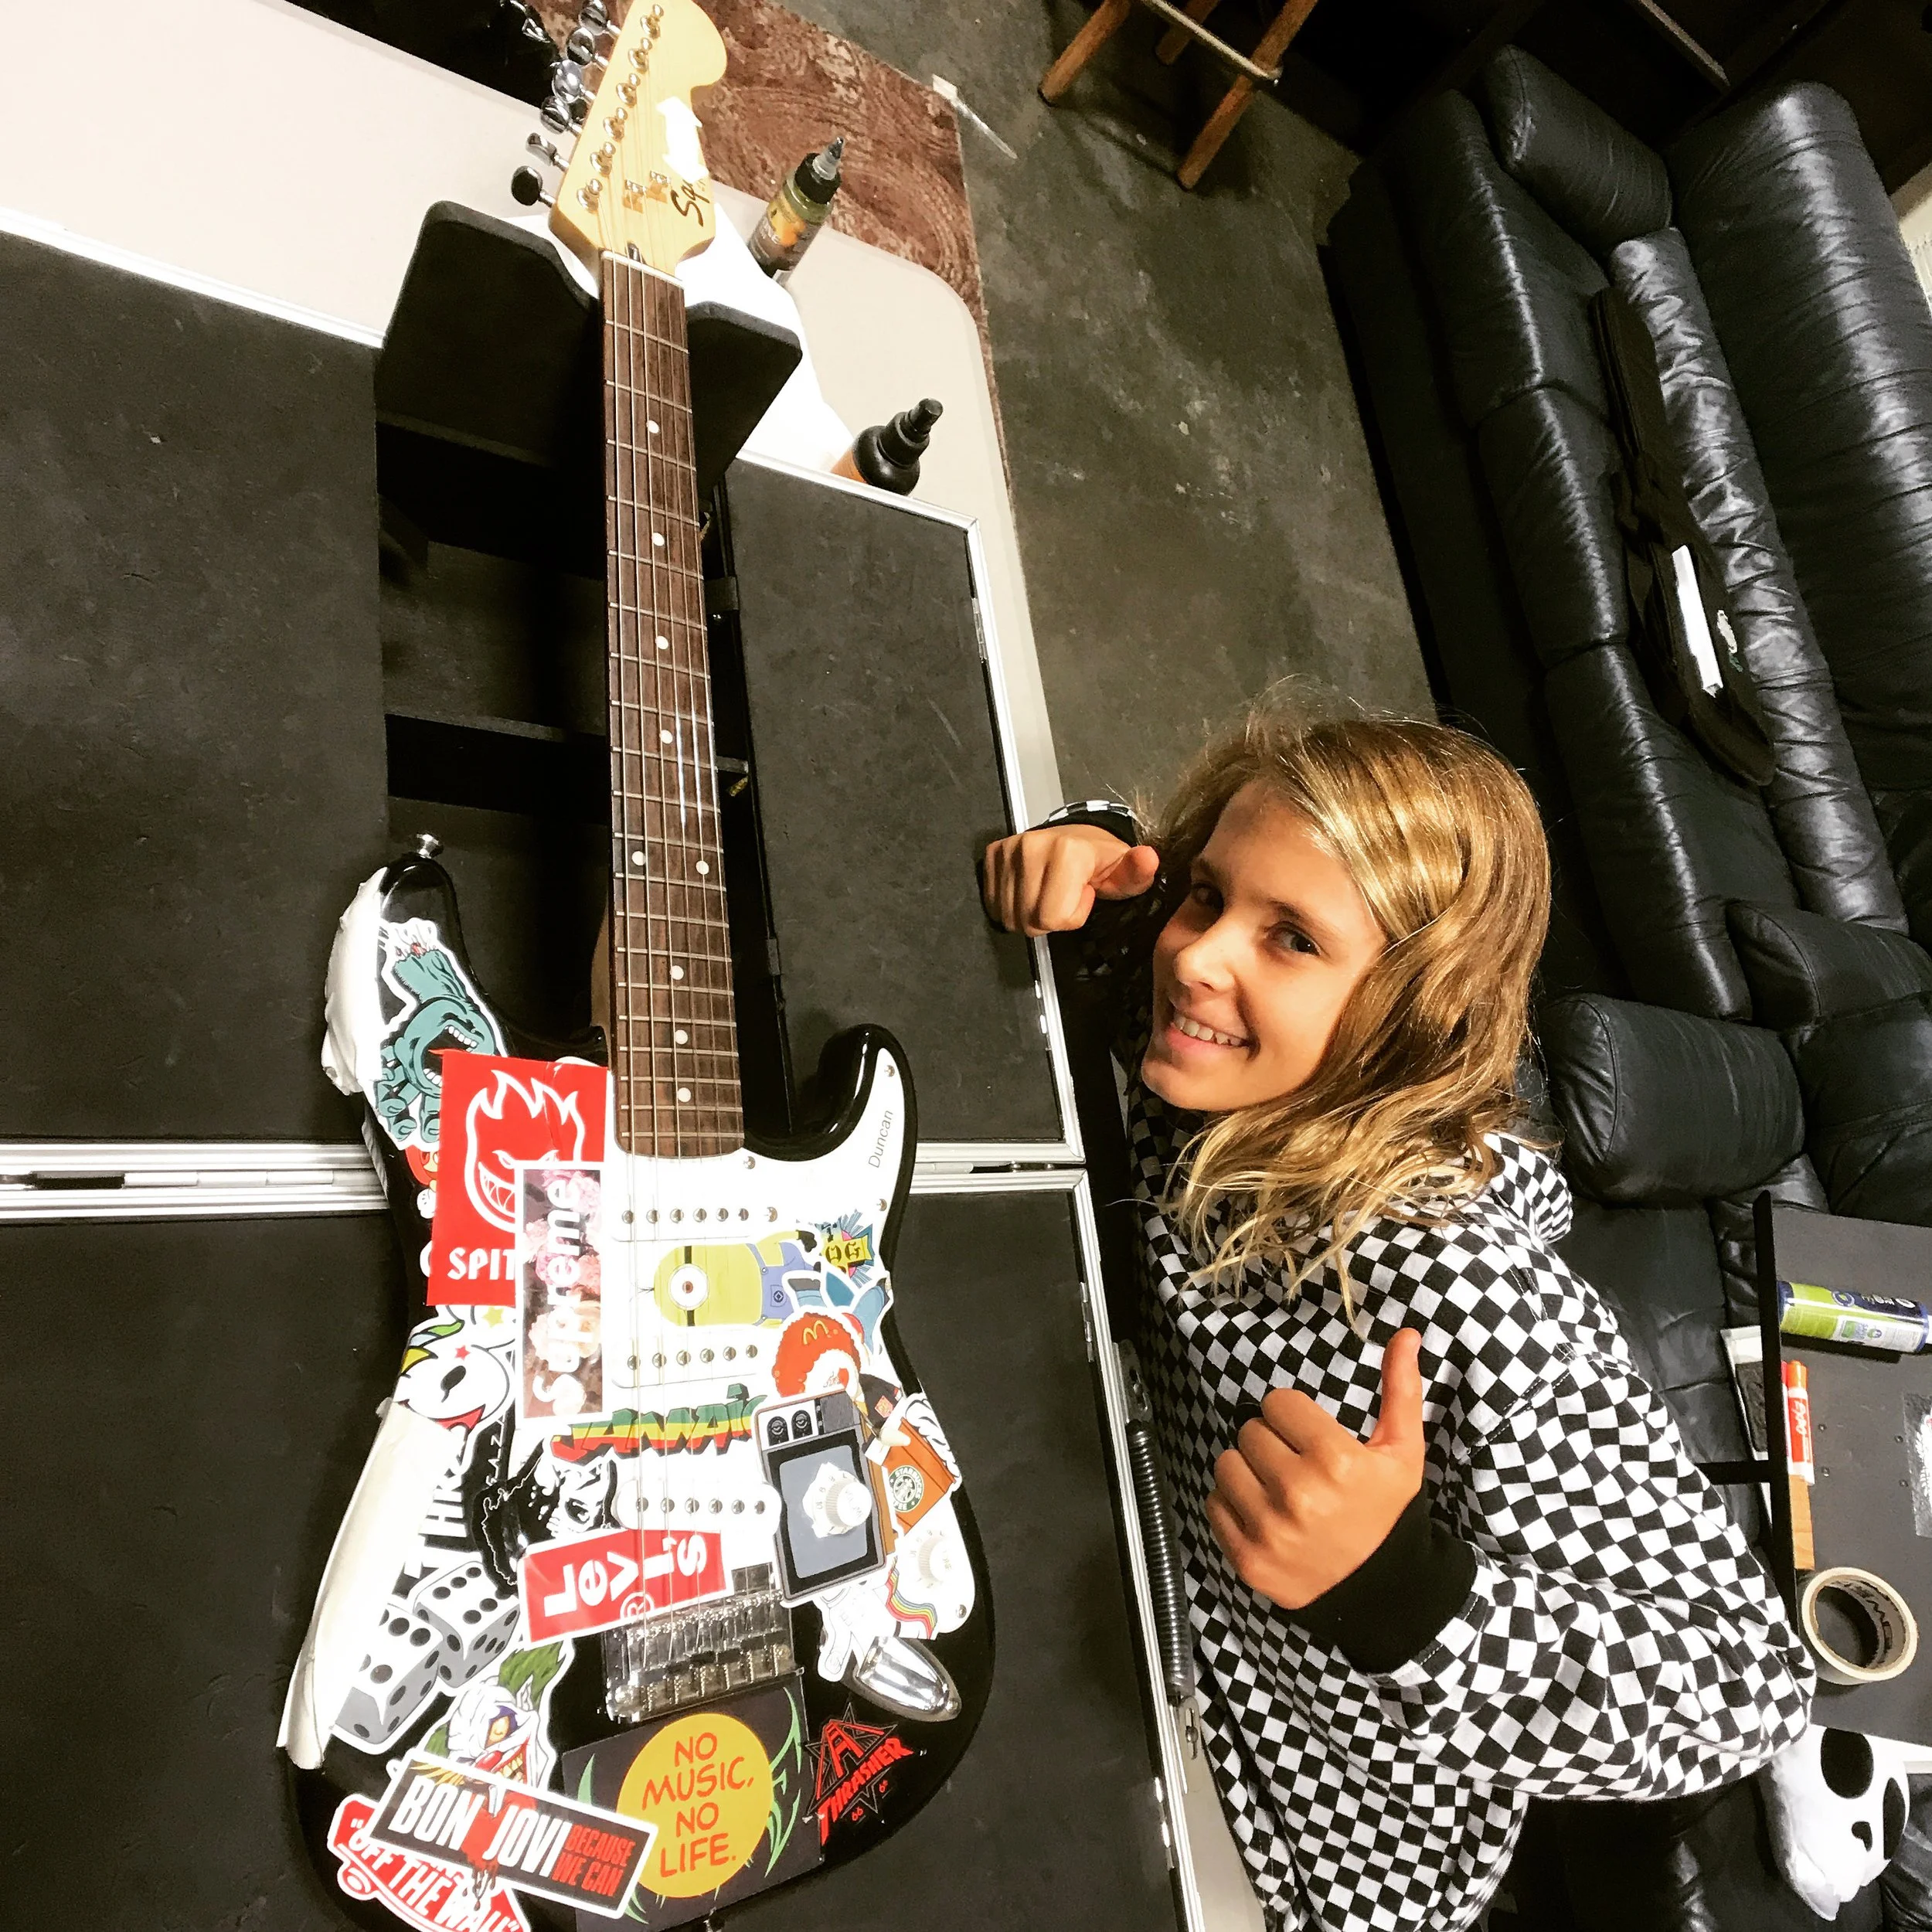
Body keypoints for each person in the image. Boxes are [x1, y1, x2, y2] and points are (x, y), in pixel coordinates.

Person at [981, 703, 1811, 1932]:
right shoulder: (1223, 1059)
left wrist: (1403, 1592)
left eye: (1293, 940)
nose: (1200, 958)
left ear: (1411, 1020)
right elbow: (1158, 912)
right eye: (1212, 897)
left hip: (1287, 1840)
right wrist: (1099, 869)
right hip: (1121, 1580)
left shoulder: (1461, 1296)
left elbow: (1748, 1686)